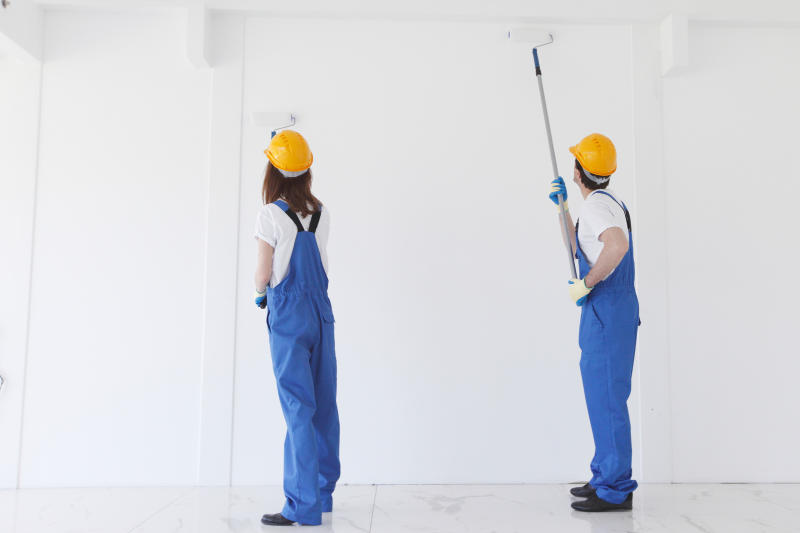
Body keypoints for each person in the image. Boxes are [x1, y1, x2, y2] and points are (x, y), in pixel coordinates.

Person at [548, 133, 640, 512]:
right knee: (602, 399)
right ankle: (604, 474)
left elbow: (617, 245)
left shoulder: (600, 209)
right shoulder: (605, 202)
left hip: (607, 311)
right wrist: (563, 209)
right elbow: (577, 246)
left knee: (608, 400)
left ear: (577, 171)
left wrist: (586, 283)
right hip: (607, 312)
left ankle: (615, 488)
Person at [253, 130, 340, 526]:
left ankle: (301, 506)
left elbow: (263, 273)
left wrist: (261, 294)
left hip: (289, 317)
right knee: (323, 404)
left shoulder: (270, 214)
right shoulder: (320, 211)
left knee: (297, 408)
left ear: (273, 170)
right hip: (321, 314)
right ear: (306, 170)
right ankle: (322, 494)